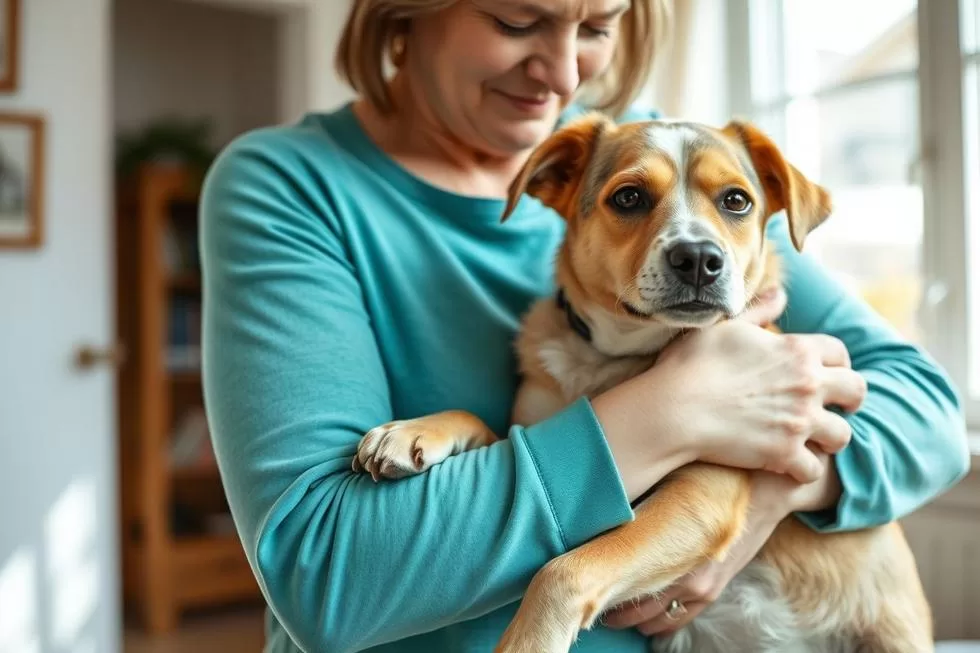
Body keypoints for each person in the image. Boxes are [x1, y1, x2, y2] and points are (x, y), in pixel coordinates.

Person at [198, 1, 970, 651]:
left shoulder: (661, 147)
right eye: (516, 19)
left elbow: (927, 407)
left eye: (597, 24)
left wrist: (769, 491)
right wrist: (676, 410)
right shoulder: (290, 187)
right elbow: (327, 574)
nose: (564, 74)